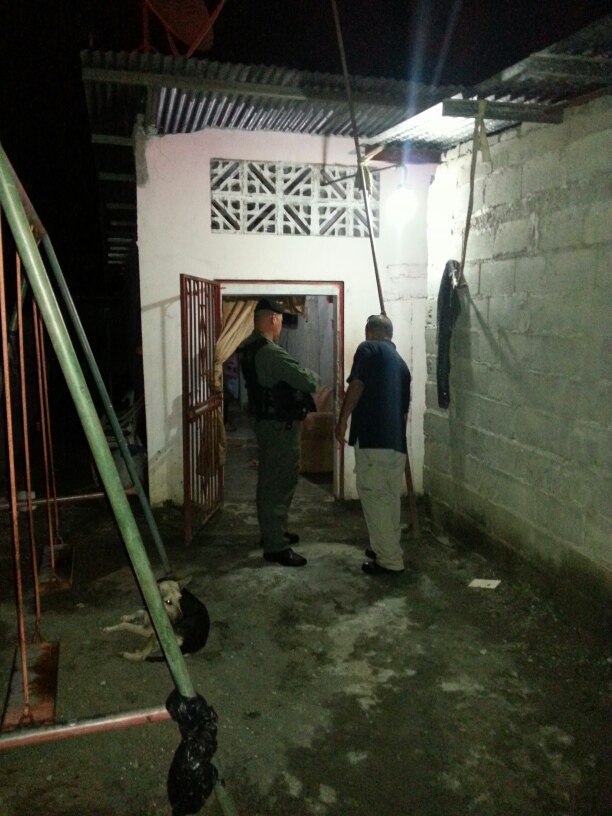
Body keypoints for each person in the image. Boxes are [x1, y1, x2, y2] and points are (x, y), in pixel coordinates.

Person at [239, 299, 319, 567]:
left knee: (269, 482)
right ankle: (276, 546)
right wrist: (311, 375)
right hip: (279, 429)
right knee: (279, 483)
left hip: (267, 424)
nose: (282, 325)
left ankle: (273, 531)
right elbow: (307, 380)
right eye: (282, 320)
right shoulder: (269, 352)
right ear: (272, 318)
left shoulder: (250, 346)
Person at [335, 314, 411, 576]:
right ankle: (386, 549)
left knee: (374, 496)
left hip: (373, 441)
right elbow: (404, 414)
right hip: (395, 446)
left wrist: (342, 420)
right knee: (389, 499)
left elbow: (357, 385)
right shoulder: (402, 365)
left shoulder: (367, 348)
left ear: (370, 331)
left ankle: (389, 560)